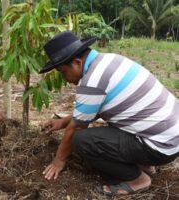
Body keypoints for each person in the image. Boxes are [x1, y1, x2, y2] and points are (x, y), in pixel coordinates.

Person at [40, 31, 179, 195]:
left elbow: (75, 129)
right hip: (169, 137)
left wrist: (58, 161)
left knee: (82, 141)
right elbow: (99, 108)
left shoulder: (91, 82)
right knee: (113, 121)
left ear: (77, 63)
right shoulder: (108, 61)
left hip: (160, 147)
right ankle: (144, 164)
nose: (64, 78)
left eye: (63, 72)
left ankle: (137, 179)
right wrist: (63, 122)